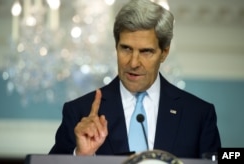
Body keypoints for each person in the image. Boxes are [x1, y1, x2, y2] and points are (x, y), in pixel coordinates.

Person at [49, 0, 221, 158]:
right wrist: (81, 156)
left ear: (164, 53)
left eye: (146, 51)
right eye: (126, 49)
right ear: (116, 46)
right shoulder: (79, 112)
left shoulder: (198, 115)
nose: (133, 62)